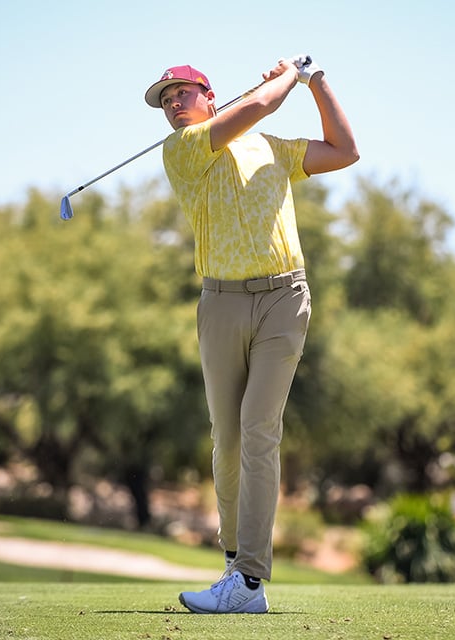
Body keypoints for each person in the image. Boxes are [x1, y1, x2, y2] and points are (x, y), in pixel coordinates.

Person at [144, 55, 358, 614]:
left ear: (209, 95)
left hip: (285, 299)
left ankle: (250, 583)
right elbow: (259, 104)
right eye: (165, 101)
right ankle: (234, 561)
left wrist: (315, 81)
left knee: (259, 430)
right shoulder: (184, 149)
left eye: (181, 94)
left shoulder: (273, 147)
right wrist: (285, 77)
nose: (172, 106)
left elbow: (345, 150)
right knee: (229, 440)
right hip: (221, 303)